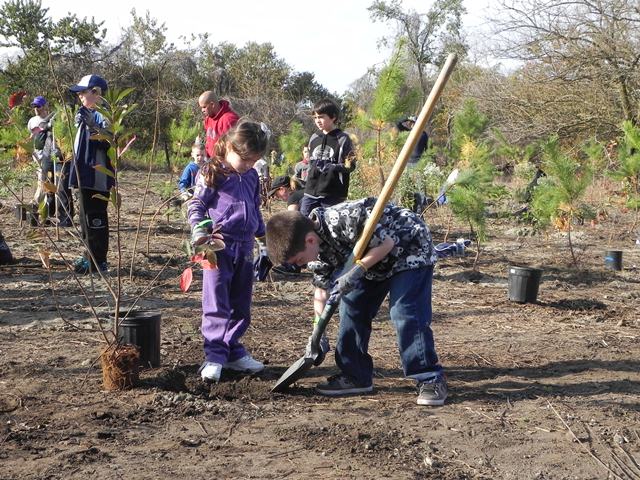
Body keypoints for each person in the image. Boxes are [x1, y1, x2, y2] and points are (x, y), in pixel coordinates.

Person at [265, 197, 447, 406]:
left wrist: (357, 270)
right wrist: (318, 331)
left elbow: (387, 243)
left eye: (298, 260)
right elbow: (321, 291)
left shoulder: (342, 219)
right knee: (351, 307)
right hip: (373, 263)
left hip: (409, 248)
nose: (300, 265)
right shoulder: (314, 251)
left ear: (310, 241)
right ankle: (355, 375)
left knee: (405, 312)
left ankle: (429, 377)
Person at [187, 120, 270, 383]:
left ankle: (232, 351)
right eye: (244, 159)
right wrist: (199, 231)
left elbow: (254, 209)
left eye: (253, 160)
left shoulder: (252, 176)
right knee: (216, 302)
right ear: (229, 146)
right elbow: (196, 204)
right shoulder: (213, 172)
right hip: (218, 247)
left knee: (241, 305)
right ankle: (214, 355)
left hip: (244, 248)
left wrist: (264, 240)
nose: (247, 165)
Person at [68, 74, 112, 274]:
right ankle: (88, 254)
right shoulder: (84, 114)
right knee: (84, 217)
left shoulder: (104, 115)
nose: (80, 97)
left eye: (83, 92)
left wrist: (94, 125)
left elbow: (110, 143)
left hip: (97, 177)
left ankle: (98, 260)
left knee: (96, 217)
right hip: (83, 174)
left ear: (96, 93)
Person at [300, 99, 355, 217]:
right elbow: (310, 162)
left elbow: (350, 166)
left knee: (329, 228)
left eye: (321, 117)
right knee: (304, 225)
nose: (317, 121)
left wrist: (332, 167)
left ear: (333, 117)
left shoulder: (343, 139)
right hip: (311, 192)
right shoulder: (314, 137)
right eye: (315, 118)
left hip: (333, 195)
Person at [27, 96, 74, 226]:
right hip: (48, 154)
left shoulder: (67, 122)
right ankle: (49, 215)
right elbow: (39, 137)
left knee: (62, 187)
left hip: (61, 155)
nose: (36, 109)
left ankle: (66, 217)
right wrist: (48, 125)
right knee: (48, 185)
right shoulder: (48, 119)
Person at [198, 91, 240, 159]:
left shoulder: (229, 119)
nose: (202, 110)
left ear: (212, 104)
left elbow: (237, 146)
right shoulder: (208, 119)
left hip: (224, 164)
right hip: (210, 161)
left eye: (204, 107)